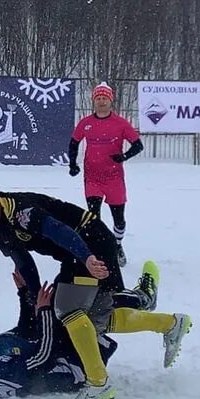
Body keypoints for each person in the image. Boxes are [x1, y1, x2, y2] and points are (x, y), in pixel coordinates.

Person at [0, 175, 164, 399]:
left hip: (91, 241)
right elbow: (24, 263)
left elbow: (59, 232)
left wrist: (87, 258)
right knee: (90, 311)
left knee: (70, 309)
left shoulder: (22, 210)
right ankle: (151, 305)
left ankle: (99, 382)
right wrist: (34, 298)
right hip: (72, 256)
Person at [0, 272, 192, 398]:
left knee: (80, 309)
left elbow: (25, 330)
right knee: (74, 311)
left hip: (61, 354)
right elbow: (42, 358)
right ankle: (142, 301)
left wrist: (24, 295)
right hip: (73, 369)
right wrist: (43, 312)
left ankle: (160, 317)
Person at [68, 82, 143, 268]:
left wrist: (123, 156)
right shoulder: (86, 123)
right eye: (98, 98)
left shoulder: (120, 123)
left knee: (119, 218)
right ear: (94, 101)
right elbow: (73, 143)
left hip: (114, 178)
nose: (101, 101)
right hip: (92, 177)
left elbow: (138, 145)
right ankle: (100, 248)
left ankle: (117, 245)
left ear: (111, 101)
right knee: (94, 217)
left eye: (105, 98)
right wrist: (72, 164)